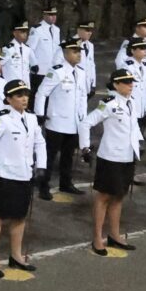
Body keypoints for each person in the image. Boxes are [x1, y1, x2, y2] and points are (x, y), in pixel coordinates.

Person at [0, 81, 46, 277]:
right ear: (8, 99)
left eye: (26, 94)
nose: (24, 98)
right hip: (6, 175)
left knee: (19, 216)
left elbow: (40, 143)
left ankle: (16, 255)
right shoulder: (2, 119)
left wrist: (41, 166)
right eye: (19, 95)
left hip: (25, 174)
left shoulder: (32, 119)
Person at [83, 69, 143, 254]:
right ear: (116, 85)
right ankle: (97, 238)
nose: (130, 84)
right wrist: (85, 147)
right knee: (103, 197)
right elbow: (86, 123)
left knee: (119, 196)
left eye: (131, 81)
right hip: (110, 157)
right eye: (126, 82)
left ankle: (114, 235)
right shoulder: (108, 103)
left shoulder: (132, 102)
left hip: (127, 156)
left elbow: (133, 127)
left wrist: (138, 144)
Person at [33, 39, 90, 200]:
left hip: (73, 123)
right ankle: (43, 185)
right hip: (57, 122)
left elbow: (82, 97)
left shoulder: (81, 72)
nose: (78, 55)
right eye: (74, 51)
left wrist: (83, 118)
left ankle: (66, 183)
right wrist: (39, 114)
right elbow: (41, 92)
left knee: (68, 155)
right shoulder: (56, 71)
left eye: (79, 51)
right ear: (65, 53)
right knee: (50, 156)